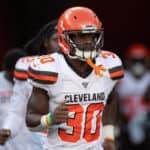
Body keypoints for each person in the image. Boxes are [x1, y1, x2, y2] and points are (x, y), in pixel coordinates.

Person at [26, 7, 124, 150]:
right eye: (81, 35)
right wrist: (50, 119)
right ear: (65, 38)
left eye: (93, 35)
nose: (89, 41)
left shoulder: (109, 64)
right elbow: (30, 120)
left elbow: (111, 99)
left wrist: (108, 136)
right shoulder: (50, 68)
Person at [0, 19, 59, 149]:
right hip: (43, 140)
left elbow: (108, 102)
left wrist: (107, 134)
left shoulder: (90, 67)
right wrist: (8, 129)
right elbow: (17, 110)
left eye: (67, 40)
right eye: (57, 40)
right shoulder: (30, 67)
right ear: (46, 43)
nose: (62, 45)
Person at [116, 43, 150, 150]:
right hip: (124, 122)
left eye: (141, 61)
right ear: (128, 61)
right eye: (135, 61)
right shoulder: (121, 78)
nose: (138, 64)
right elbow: (113, 101)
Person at [0, 48, 26, 149]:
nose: (18, 77)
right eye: (15, 73)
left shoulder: (29, 82)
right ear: (6, 68)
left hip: (27, 142)